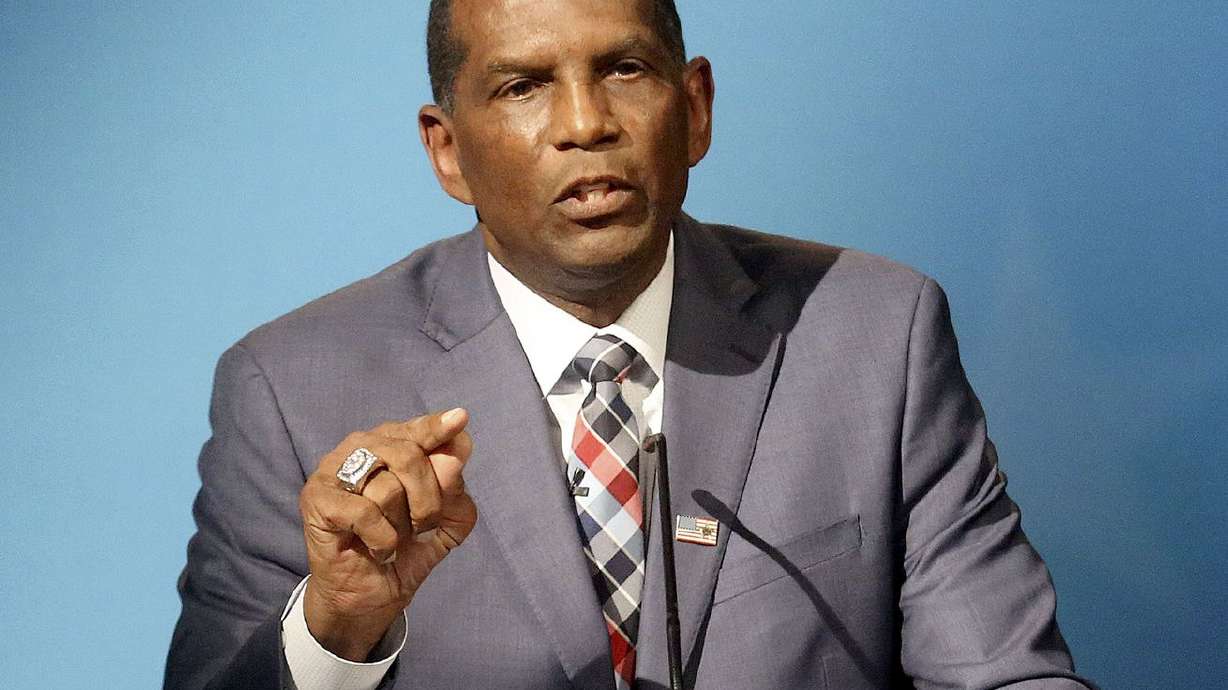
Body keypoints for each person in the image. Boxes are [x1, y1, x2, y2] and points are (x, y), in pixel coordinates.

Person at [165, 1, 1094, 688]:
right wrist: (337, 630)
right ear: (447, 151)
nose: (585, 125)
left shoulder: (875, 334)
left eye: (624, 70)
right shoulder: (290, 386)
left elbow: (1005, 672)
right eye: (524, 86)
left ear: (694, 108)